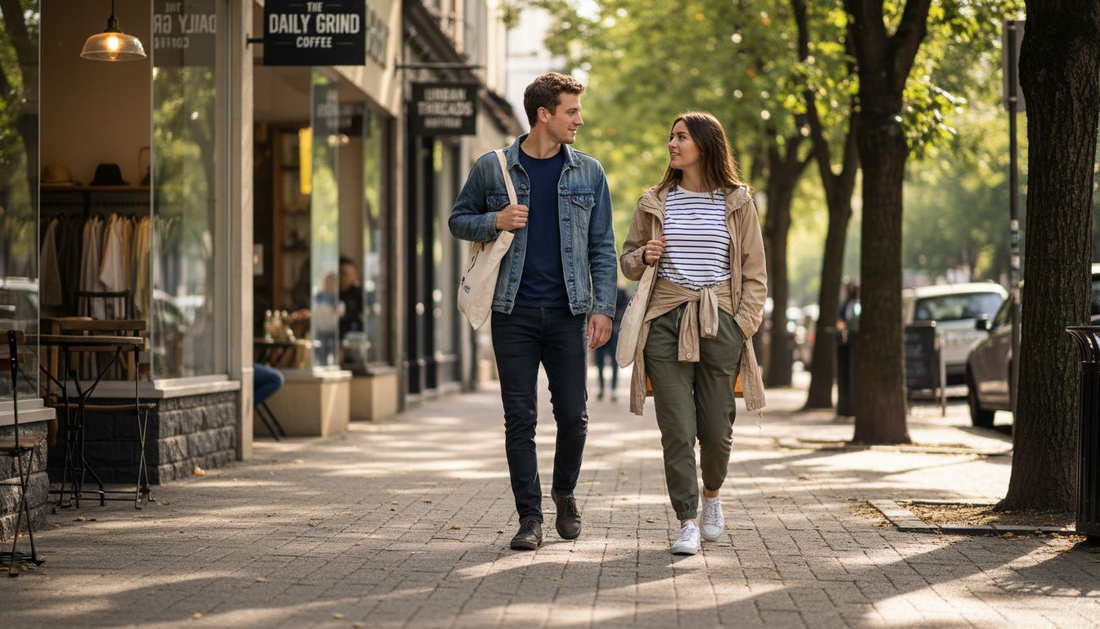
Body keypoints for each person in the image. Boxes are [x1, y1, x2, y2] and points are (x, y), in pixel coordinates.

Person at [449, 72, 618, 551]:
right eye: (572, 111)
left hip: (568, 312)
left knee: (573, 415)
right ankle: (530, 518)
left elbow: (602, 246)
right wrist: (494, 220)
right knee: (519, 418)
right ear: (544, 114)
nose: (579, 120)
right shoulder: (492, 167)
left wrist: (603, 308)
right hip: (512, 313)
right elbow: (457, 220)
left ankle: (564, 493)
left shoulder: (589, 171)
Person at [619, 112, 767, 555]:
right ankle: (686, 519)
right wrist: (644, 254)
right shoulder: (655, 200)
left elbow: (756, 274)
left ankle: (712, 497)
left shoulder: (737, 201)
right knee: (677, 430)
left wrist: (740, 325)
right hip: (664, 321)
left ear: (704, 143)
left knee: (717, 428)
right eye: (671, 137)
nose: (672, 143)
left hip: (719, 322)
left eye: (681, 137)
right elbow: (626, 262)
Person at [594, 286, 629, 401]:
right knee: (600, 362)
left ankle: (612, 389)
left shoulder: (621, 292)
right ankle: (602, 388)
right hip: (601, 330)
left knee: (613, 362)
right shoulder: (596, 291)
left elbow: (626, 309)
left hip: (614, 330)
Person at [338, 255, 365, 337]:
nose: (343, 278)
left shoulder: (359, 294)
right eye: (342, 274)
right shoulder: (329, 293)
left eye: (350, 274)